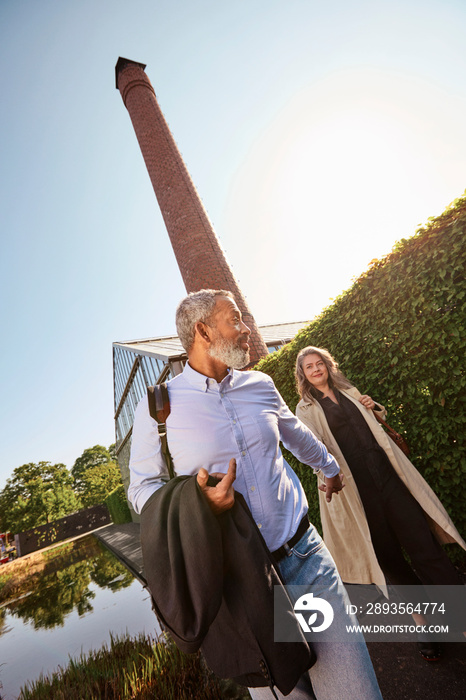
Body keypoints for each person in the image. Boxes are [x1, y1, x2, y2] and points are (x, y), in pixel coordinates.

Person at [129, 290, 383, 700]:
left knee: (357, 693)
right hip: (241, 585)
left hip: (305, 561)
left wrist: (331, 469)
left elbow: (295, 434)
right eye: (235, 320)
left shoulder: (260, 384)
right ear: (203, 331)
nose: (247, 330)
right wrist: (198, 504)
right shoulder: (159, 406)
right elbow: (142, 490)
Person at [295, 345, 466, 659]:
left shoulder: (348, 390)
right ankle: (423, 624)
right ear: (303, 375)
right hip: (358, 497)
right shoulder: (305, 410)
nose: (317, 369)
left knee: (425, 549)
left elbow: (375, 423)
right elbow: (310, 450)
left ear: (328, 366)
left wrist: (373, 406)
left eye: (320, 363)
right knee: (391, 563)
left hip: (390, 482)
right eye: (310, 366)